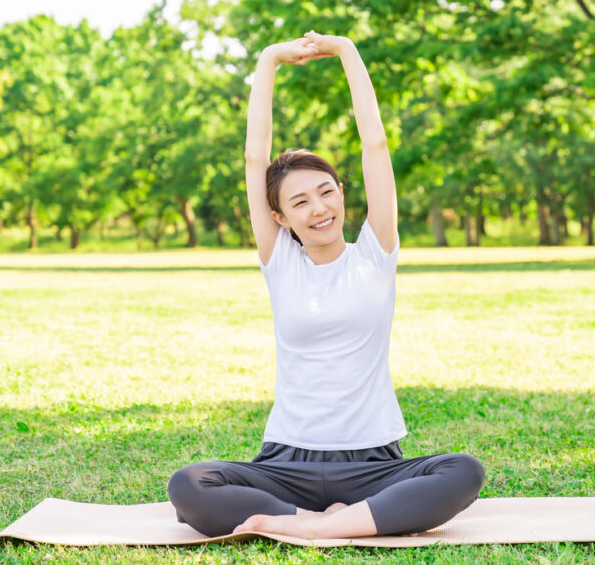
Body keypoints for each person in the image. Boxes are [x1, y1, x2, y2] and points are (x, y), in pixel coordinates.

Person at [167, 31, 485, 539]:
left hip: (373, 463)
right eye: (300, 202)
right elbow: (255, 159)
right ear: (280, 217)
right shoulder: (280, 262)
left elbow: (375, 145)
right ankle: (321, 521)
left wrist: (348, 52)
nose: (318, 209)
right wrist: (268, 60)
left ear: (341, 193)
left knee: (463, 471)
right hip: (285, 463)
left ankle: (314, 527)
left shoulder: (374, 255)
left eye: (326, 191)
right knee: (189, 486)